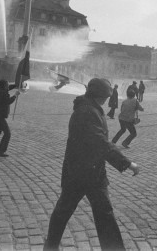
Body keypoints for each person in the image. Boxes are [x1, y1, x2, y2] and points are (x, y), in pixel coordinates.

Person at [44, 78, 140, 251]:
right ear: (97, 95)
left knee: (92, 212)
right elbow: (100, 142)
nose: (106, 99)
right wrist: (127, 163)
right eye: (105, 95)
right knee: (70, 211)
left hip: (87, 171)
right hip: (84, 173)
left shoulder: (90, 108)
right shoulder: (87, 111)